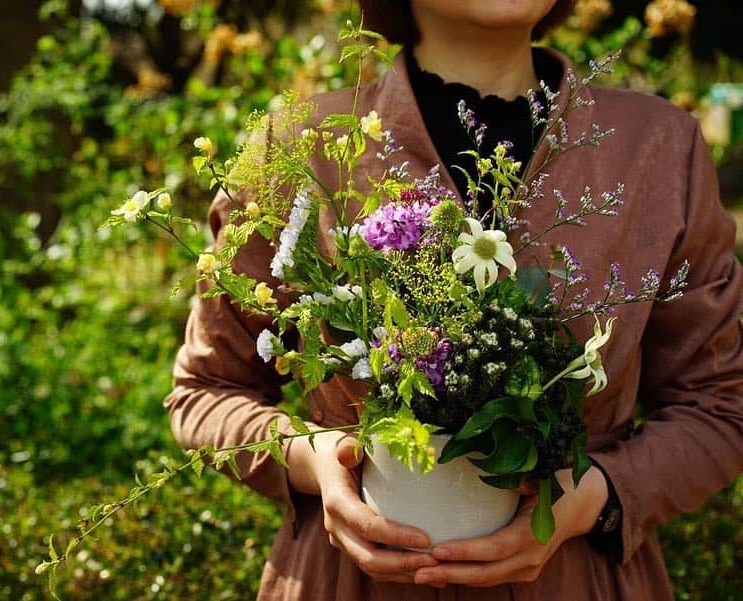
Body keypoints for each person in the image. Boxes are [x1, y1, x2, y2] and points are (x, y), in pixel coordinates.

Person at [164, 1, 743, 599]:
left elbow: (721, 404)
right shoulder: (301, 148)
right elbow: (206, 392)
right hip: (349, 582)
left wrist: (598, 495)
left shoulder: (656, 147)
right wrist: (317, 460)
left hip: (578, 579)